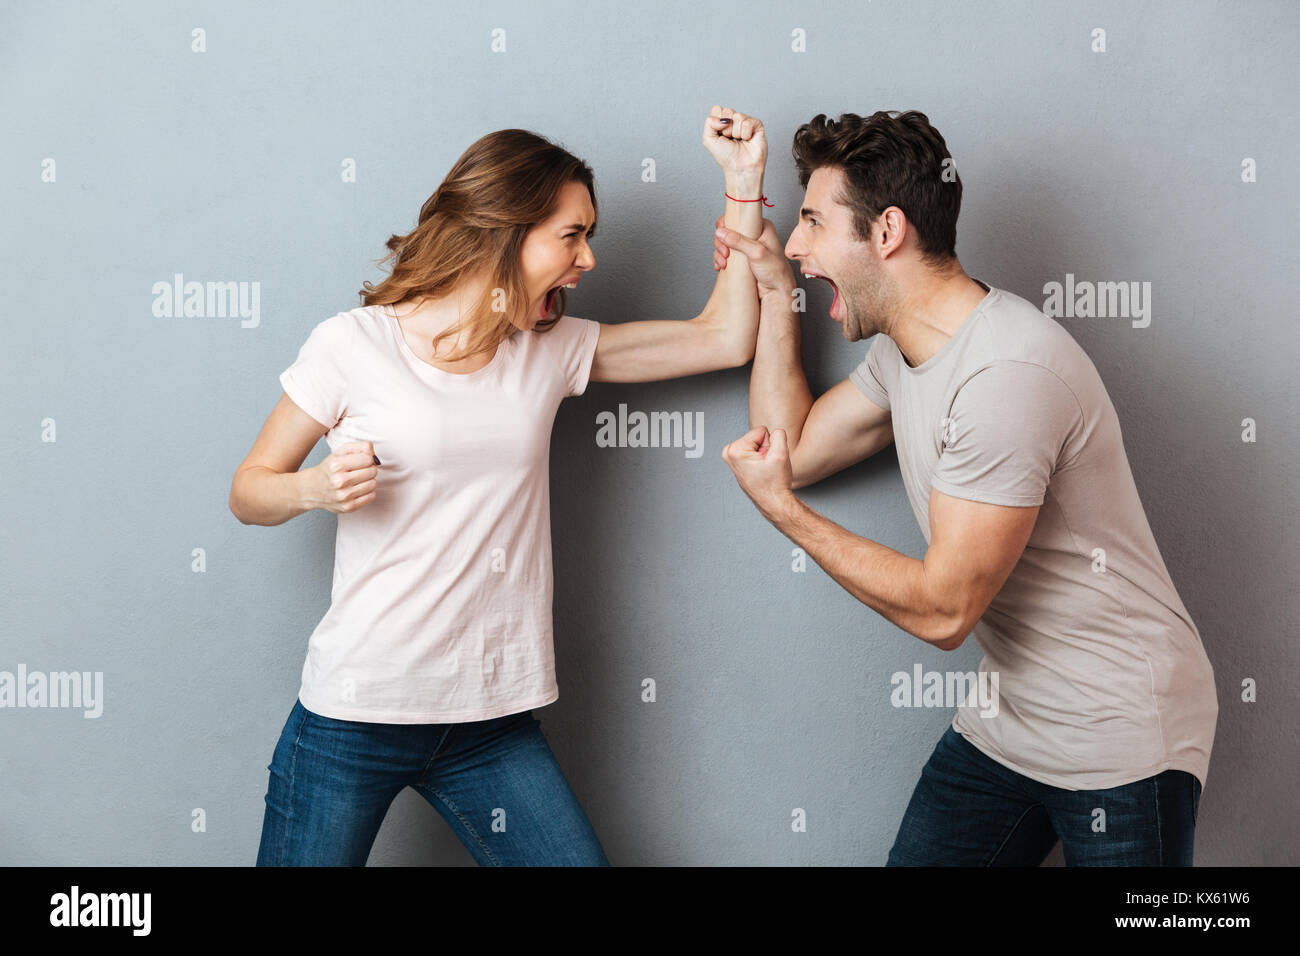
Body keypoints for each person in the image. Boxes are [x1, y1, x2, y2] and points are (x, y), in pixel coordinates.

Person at [230, 106, 768, 866]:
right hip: (356, 712)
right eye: (571, 235)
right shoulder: (354, 344)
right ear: (503, 231)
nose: (587, 260)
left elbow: (725, 337)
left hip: (489, 722)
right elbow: (248, 490)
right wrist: (314, 489)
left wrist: (743, 184)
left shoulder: (545, 349)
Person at [712, 109, 1217, 866]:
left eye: (813, 223)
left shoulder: (1006, 375)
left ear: (886, 232)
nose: (797, 241)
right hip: (1012, 718)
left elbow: (946, 609)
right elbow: (795, 447)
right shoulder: (909, 350)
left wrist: (781, 511)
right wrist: (778, 286)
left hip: (1121, 732)